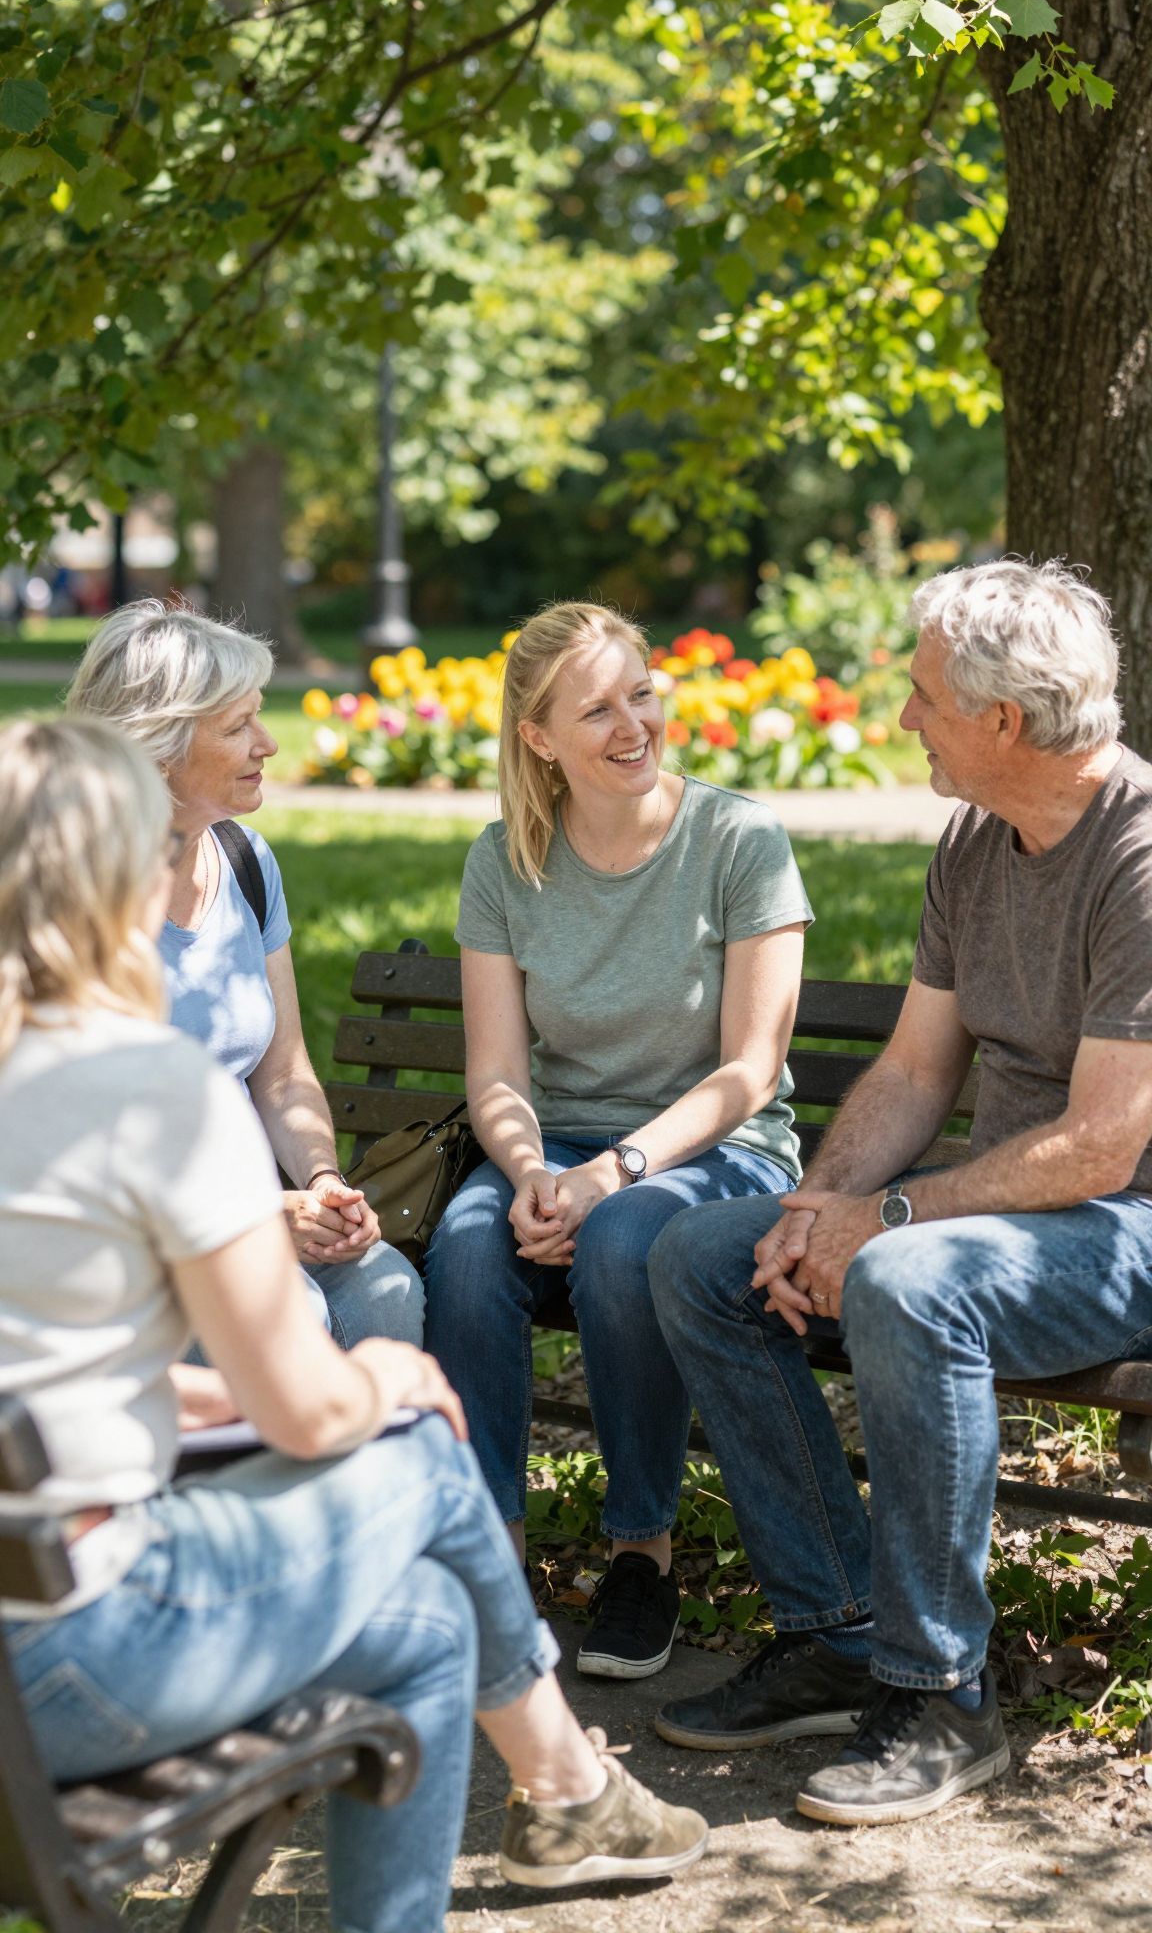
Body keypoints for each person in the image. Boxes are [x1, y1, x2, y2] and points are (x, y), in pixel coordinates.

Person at [0, 716, 709, 1931]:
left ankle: (566, 1795)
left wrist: (217, 1396)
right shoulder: (150, 1089)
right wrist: (385, 1374)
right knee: (419, 1445)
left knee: (426, 1626)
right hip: (79, 1659)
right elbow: (309, 1410)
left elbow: (44, 1383)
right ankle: (574, 1790)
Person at [647, 558, 1152, 1825]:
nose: (905, 714)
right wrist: (815, 1209)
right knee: (701, 1256)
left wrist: (889, 1220)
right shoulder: (978, 837)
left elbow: (1104, 1145)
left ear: (1004, 719)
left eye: (925, 695)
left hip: (1127, 1223)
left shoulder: (1141, 857)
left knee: (913, 1279)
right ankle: (840, 1629)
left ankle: (942, 1693)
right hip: (1015, 1216)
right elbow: (918, 1070)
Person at [424, 601, 812, 1681]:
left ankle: (642, 1554)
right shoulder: (505, 860)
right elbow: (498, 1075)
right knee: (467, 1249)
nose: (633, 724)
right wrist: (530, 1169)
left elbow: (748, 1070)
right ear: (539, 738)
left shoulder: (738, 840)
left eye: (641, 692)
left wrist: (615, 1171)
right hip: (557, 1145)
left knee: (623, 1238)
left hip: (715, 1147)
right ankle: (493, 1564)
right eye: (596, 709)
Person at [67, 600, 421, 1356]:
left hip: (245, 1212)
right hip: (124, 1240)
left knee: (386, 1289)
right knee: (292, 1318)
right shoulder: (67, 895)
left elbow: (283, 1073)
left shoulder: (244, 861)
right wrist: (251, 1220)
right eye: (237, 727)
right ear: (157, 748)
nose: (267, 742)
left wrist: (321, 1182)